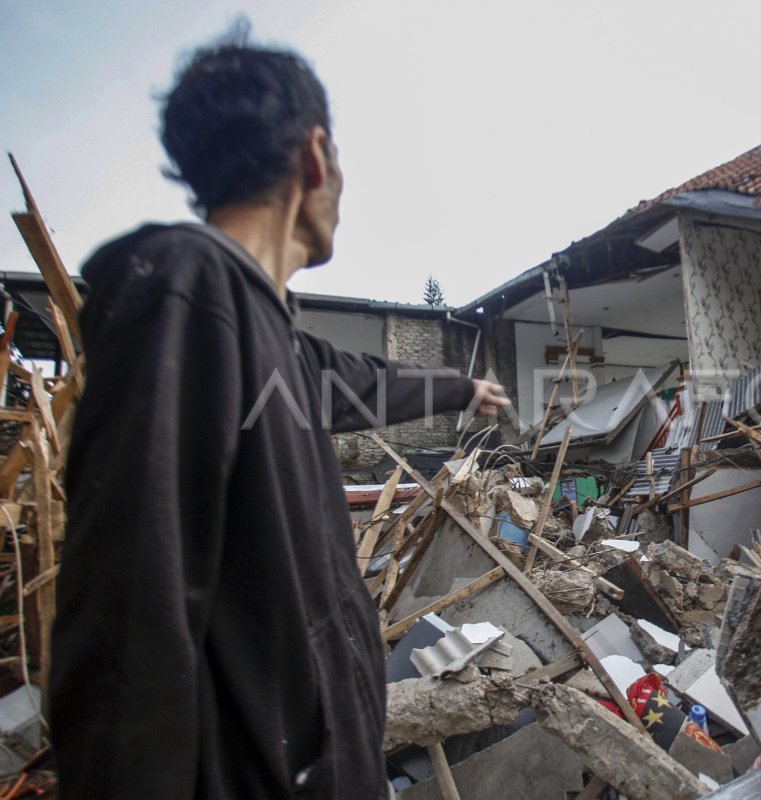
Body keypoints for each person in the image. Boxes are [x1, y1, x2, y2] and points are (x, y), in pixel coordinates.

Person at [48, 35, 507, 799]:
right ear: (315, 157)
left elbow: (366, 382)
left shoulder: (271, 338)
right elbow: (125, 623)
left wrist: (464, 391)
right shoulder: (186, 294)